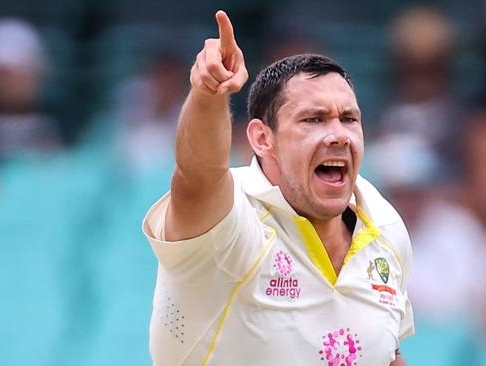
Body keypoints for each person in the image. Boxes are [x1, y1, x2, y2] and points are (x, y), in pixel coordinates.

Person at [142, 11, 414, 366]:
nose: (338, 135)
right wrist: (208, 94)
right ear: (262, 138)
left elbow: (385, 351)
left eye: (348, 118)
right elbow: (197, 175)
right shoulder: (233, 221)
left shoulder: (385, 227)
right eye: (313, 119)